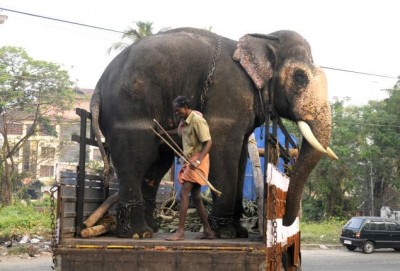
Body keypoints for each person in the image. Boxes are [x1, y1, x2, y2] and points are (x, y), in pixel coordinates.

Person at [166, 96, 215, 241]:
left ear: (186, 107)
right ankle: (208, 231)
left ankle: (180, 232)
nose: (176, 113)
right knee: (196, 197)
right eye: (174, 111)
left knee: (183, 193)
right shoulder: (184, 122)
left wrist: (199, 161)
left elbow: (209, 142)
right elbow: (179, 131)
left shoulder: (197, 120)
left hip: (198, 160)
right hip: (190, 161)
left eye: (178, 110)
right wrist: (164, 133)